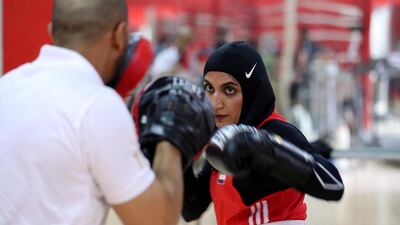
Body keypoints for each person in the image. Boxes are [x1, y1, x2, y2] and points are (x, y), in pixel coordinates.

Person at [0, 1, 213, 225]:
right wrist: (171, 136)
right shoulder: (97, 105)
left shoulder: (6, 87)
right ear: (119, 36)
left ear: (52, 31)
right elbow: (155, 220)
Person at [182, 41, 344, 225]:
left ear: (252, 91)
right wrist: (180, 154)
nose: (215, 103)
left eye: (229, 90)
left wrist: (269, 151)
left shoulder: (277, 131)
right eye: (209, 88)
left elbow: (333, 185)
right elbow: (191, 209)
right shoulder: (223, 138)